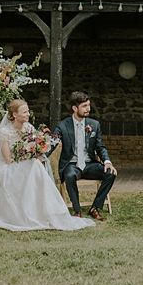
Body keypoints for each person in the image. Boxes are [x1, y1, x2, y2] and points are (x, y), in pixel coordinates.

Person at [0, 99, 95, 231]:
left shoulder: (29, 128)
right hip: (9, 168)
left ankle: (45, 211)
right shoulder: (5, 132)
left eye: (28, 111)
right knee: (34, 165)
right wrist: (26, 158)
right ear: (15, 114)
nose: (28, 114)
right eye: (25, 112)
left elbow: (36, 148)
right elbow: (8, 159)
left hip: (27, 165)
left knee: (35, 164)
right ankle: (33, 212)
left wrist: (36, 150)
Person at [51, 90, 117, 221]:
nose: (88, 109)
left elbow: (100, 146)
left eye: (88, 105)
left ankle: (95, 208)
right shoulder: (63, 125)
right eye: (84, 106)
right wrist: (38, 155)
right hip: (72, 164)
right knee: (69, 175)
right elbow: (52, 143)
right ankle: (77, 211)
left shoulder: (94, 124)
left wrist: (107, 161)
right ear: (75, 108)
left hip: (89, 164)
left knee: (111, 173)